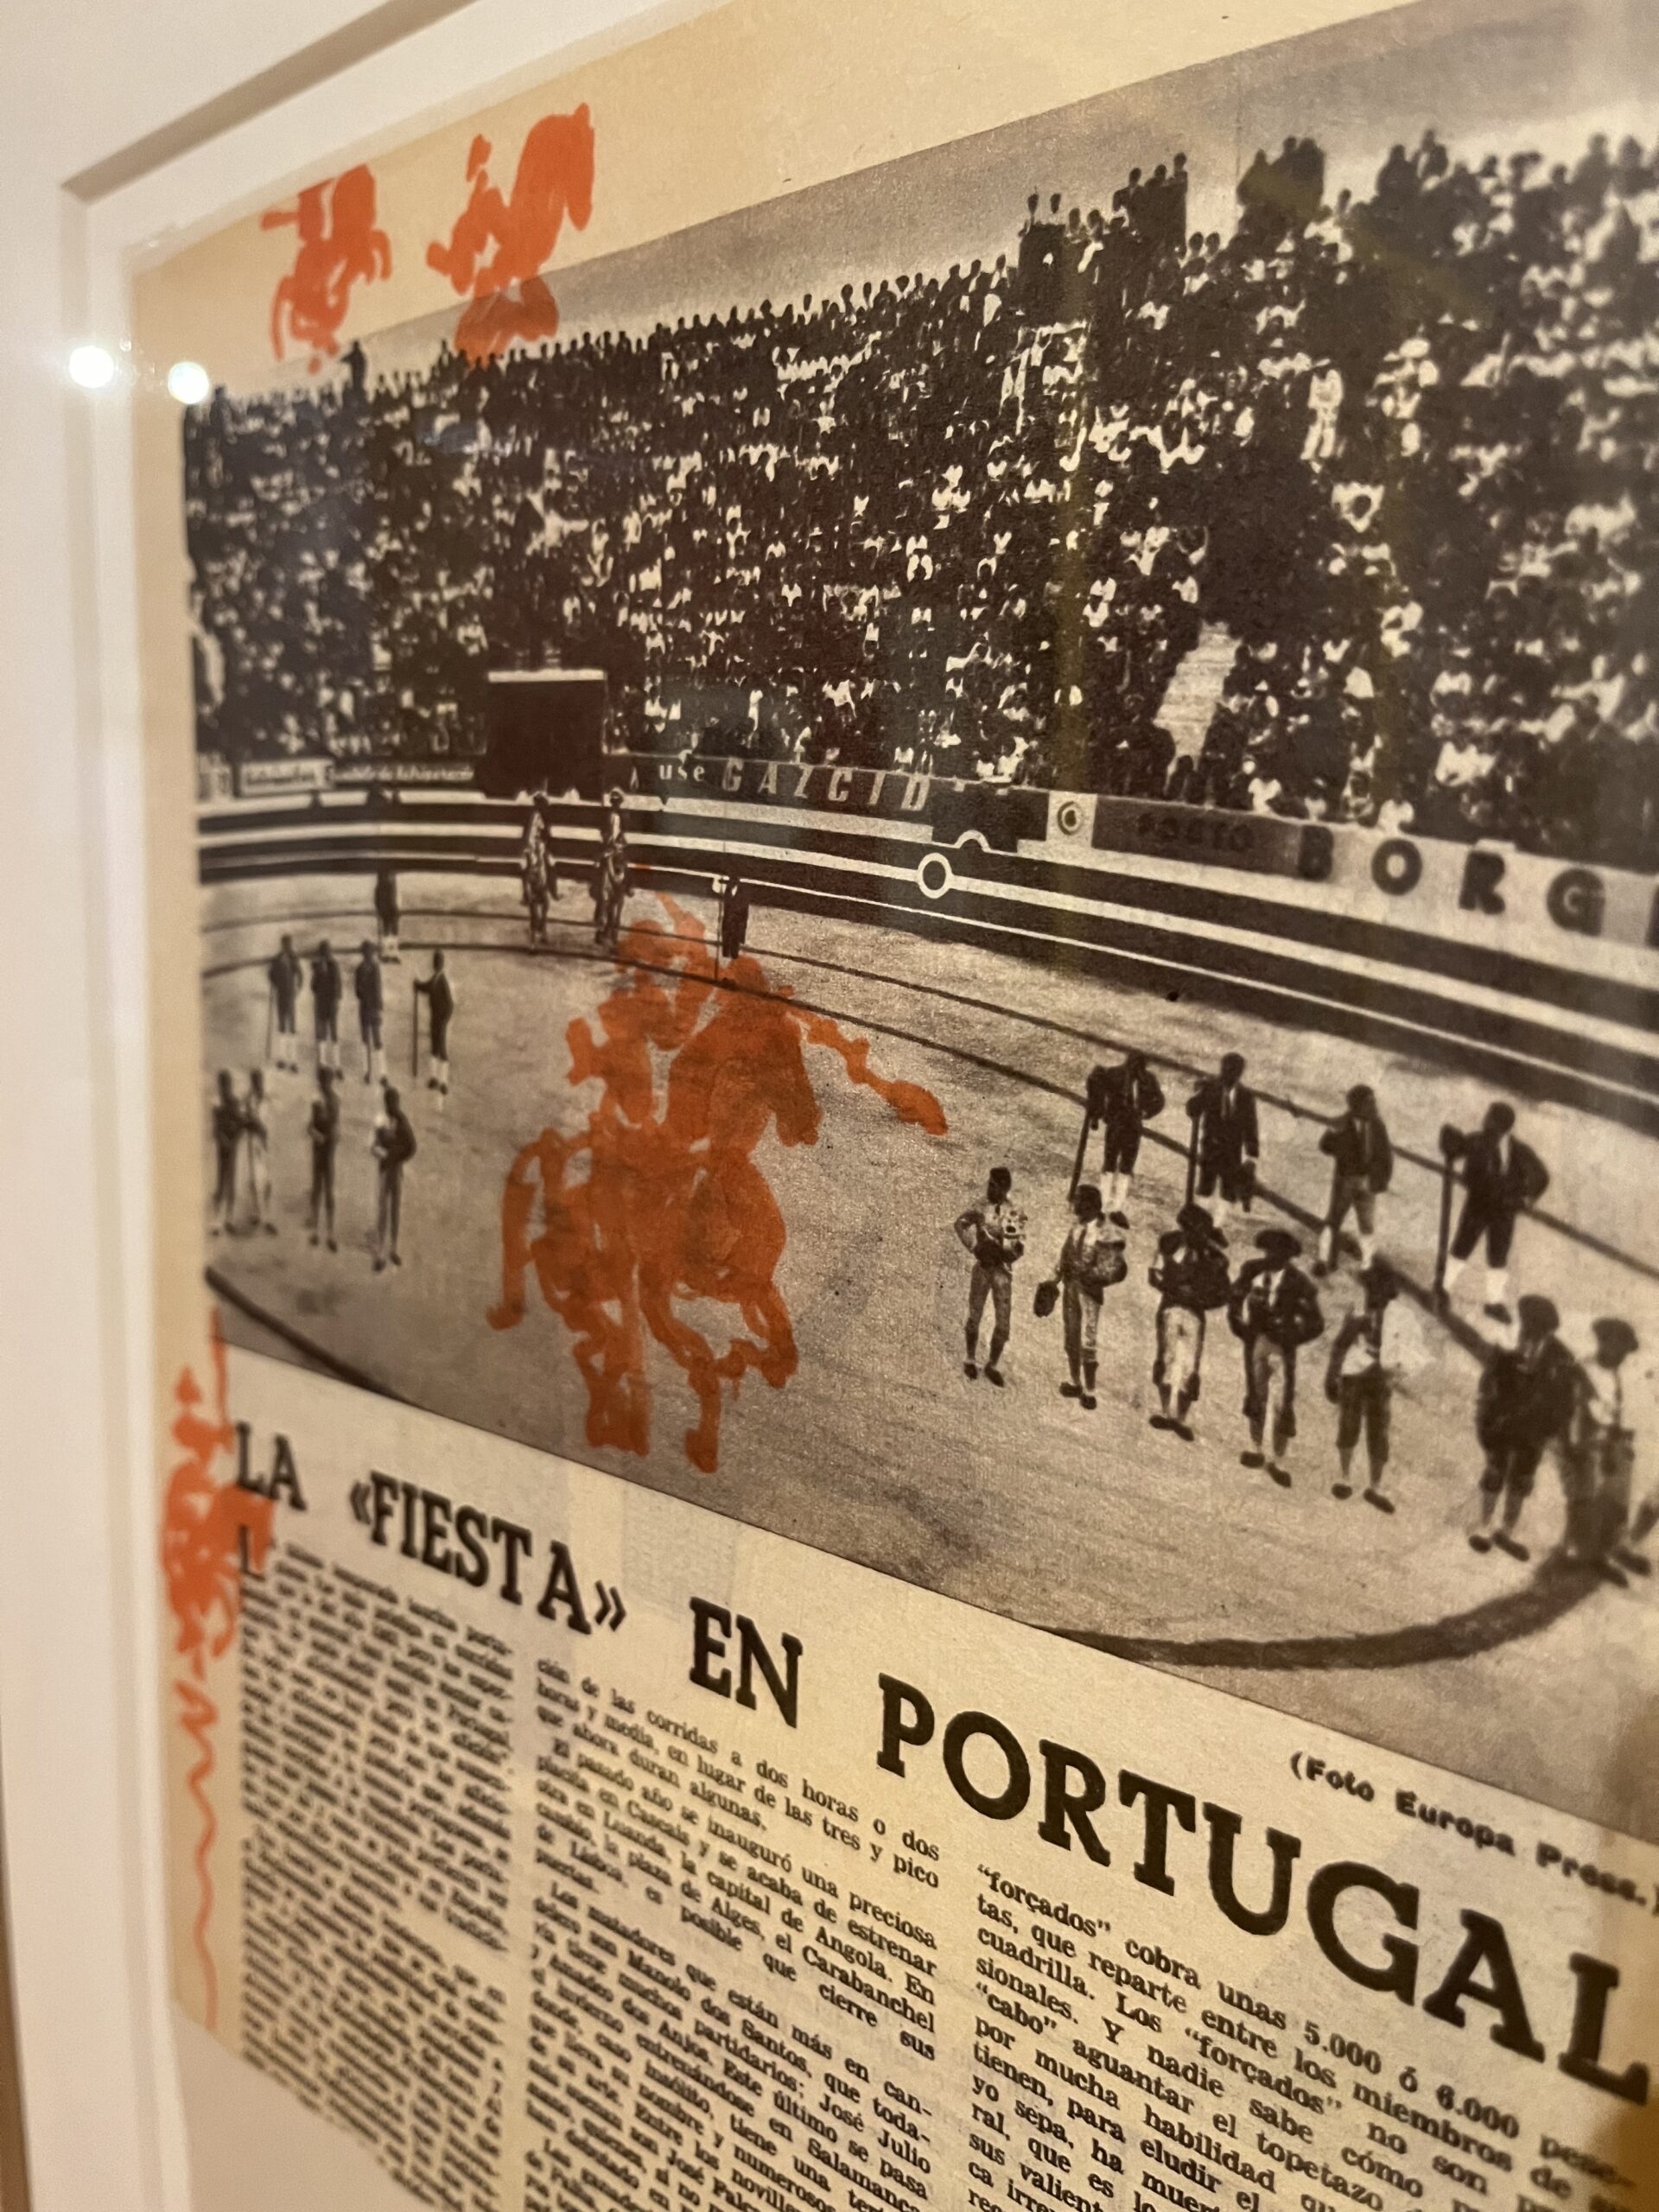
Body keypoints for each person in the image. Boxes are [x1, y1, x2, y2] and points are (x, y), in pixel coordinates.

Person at [1470, 1294, 1580, 1560]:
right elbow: (1488, 1381)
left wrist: (1550, 1430)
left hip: (1534, 1428)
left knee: (1522, 1478)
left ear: (1547, 1329)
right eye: (1527, 1323)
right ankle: (1485, 1524)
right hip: (1503, 1421)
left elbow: (1566, 1400)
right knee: (1495, 1470)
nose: (1528, 1330)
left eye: (1536, 1326)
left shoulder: (1561, 1357)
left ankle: (1506, 1530)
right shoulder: (1508, 1343)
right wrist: (1488, 1417)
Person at [1324, 1260, 1428, 1509]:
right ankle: (1345, 1477)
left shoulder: (1400, 1316)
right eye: (1371, 1290)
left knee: (1379, 1429)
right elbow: (1341, 1344)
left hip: (1381, 1376)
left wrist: (1399, 1370)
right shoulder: (1359, 1313)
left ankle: (1375, 1486)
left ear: (1387, 1293)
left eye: (1378, 1291)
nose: (1373, 1295)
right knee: (1349, 1424)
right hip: (1356, 1372)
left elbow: (1413, 1349)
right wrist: (1332, 1375)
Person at [1229, 1226, 1324, 1484]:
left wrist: (1293, 1337)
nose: (1272, 1258)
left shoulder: (1300, 1283)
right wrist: (1240, 1326)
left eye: (1278, 1255)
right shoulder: (1252, 1270)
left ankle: (1278, 1459)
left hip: (1283, 1348)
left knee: (1282, 1402)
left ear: (1287, 1257)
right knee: (1256, 1393)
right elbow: (1234, 1299)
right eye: (1269, 1252)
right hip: (1258, 1340)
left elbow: (1316, 1323)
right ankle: (1256, 1447)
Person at [1439, 1103, 1548, 1324]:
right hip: (1479, 1205)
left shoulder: (1519, 1150)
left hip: (1504, 1211)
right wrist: (1448, 1138)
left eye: (1489, 1118)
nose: (1485, 1121)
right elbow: (1456, 1149)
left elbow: (1541, 1176)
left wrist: (1527, 1198)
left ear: (1499, 1124)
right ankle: (1443, 1288)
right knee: (1462, 1247)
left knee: (1498, 1256)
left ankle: (1494, 1303)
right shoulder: (1477, 1141)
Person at [1561, 1318, 1642, 1583]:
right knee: (1585, 1497)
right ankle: (1575, 1549)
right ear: (1604, 1343)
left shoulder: (1618, 1373)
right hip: (1587, 1440)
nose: (1623, 1356)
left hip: (1611, 1440)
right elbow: (1577, 1411)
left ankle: (1603, 1551)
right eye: (1620, 1349)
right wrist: (1584, 1444)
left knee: (1615, 1500)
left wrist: (1623, 1437)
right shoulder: (1584, 1370)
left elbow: (1619, 1409)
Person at [1147, 1202, 1231, 1440]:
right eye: (1190, 1230)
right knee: (1167, 1358)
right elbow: (1154, 1274)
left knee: (1190, 1367)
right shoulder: (1170, 1244)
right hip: (1171, 1307)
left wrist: (1200, 1299)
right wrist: (1172, 1288)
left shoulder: (1214, 1258)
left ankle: (1180, 1418)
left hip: (1194, 1313)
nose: (1194, 1236)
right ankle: (1167, 1412)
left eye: (1199, 1232)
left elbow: (1224, 1293)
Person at [1041, 1184, 1127, 1410]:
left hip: (1089, 1291)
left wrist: (1092, 1276)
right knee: (1071, 1335)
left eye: (1079, 1200)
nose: (1075, 1204)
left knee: (1088, 1339)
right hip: (1071, 1288)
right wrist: (1053, 1280)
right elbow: (1064, 1255)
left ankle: (1090, 1391)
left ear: (1090, 1205)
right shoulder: (1077, 1227)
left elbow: (1114, 1269)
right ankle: (1075, 1382)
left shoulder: (1107, 1233)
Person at [954, 1166, 1027, 1386]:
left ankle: (992, 1364)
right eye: (990, 1185)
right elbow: (960, 1224)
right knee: (974, 1314)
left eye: (995, 1187)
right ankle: (970, 1358)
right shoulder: (980, 1207)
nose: (990, 1190)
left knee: (1003, 1322)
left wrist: (1007, 1253)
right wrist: (974, 1246)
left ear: (1004, 1189)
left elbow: (1019, 1247)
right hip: (983, 1268)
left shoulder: (1014, 1212)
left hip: (1002, 1271)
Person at [1315, 1084, 1392, 1276]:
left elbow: (1386, 1155)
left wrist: (1380, 1181)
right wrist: (1333, 1131)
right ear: (1356, 1106)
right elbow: (1325, 1146)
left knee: (1367, 1224)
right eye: (1369, 1103)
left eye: (1374, 1102)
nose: (1374, 1107)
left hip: (1367, 1182)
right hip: (1346, 1180)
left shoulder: (1377, 1125)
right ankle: (1323, 1260)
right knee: (1334, 1219)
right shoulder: (1343, 1123)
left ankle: (1367, 1265)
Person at [1086, 1051, 1165, 1215]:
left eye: (1139, 1067)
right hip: (1116, 1124)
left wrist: (1146, 1112)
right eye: (1133, 1066)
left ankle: (1117, 1206)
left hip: (1133, 1127)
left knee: (1127, 1166)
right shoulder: (1115, 1074)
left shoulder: (1147, 1079)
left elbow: (1159, 1100)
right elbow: (1096, 1083)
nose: (1136, 1070)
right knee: (1109, 1162)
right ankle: (1103, 1202)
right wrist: (1097, 1114)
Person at [1186, 1052, 1260, 1214]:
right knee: (1205, 1187)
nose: (1227, 1075)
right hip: (1211, 1147)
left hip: (1232, 1151)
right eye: (1225, 1070)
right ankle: (1201, 1220)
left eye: (1232, 1071)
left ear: (1239, 1073)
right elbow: (1192, 1110)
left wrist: (1251, 1156)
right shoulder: (1211, 1088)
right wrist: (1198, 1094)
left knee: (1228, 1191)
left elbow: (1251, 1127)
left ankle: (1217, 1224)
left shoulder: (1246, 1097)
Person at [371, 1084, 416, 1272]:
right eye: (390, 1102)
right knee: (384, 1210)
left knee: (394, 1209)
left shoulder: (402, 1121)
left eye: (394, 1102)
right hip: (385, 1171)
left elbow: (412, 1146)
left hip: (395, 1171)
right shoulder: (381, 1120)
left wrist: (397, 1158)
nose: (392, 1106)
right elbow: (373, 1146)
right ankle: (381, 1252)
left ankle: (393, 1249)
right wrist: (382, 1154)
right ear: (386, 1103)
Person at [415, 950, 455, 1097]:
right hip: (434, 1020)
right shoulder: (435, 979)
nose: (436, 964)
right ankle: (434, 1078)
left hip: (441, 1021)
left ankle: (443, 1082)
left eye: (438, 962)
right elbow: (427, 987)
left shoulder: (443, 981)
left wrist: (445, 1021)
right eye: (435, 962)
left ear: (441, 964)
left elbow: (450, 1005)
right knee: (434, 1049)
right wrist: (417, 985)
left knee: (442, 1051)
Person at [307, 1065, 340, 1251]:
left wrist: (328, 1136)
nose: (324, 1085)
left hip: (327, 1150)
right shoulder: (318, 1101)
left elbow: (334, 1125)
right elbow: (310, 1126)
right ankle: (316, 1231)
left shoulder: (333, 1100)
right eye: (322, 1081)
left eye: (326, 1081)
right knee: (317, 1189)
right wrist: (318, 1136)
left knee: (328, 1190)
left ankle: (330, 1233)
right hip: (320, 1149)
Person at [594, 789, 629, 953]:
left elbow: (623, 834)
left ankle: (628, 886)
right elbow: (603, 832)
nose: (615, 805)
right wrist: (608, 840)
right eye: (614, 802)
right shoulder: (606, 816)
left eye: (617, 802)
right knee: (600, 868)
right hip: (608, 848)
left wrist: (620, 843)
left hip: (618, 849)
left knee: (625, 865)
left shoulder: (622, 816)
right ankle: (598, 897)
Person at [242, 1068, 276, 1235]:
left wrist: (265, 1131)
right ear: (252, 1083)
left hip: (266, 1142)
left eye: (259, 1081)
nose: (258, 1084)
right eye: (255, 1081)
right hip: (253, 1142)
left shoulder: (267, 1100)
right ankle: (257, 1212)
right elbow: (245, 1121)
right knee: (254, 1178)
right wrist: (253, 1123)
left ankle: (267, 1216)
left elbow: (271, 1121)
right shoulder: (249, 1100)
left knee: (268, 1180)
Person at [209, 1070, 241, 1236]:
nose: (225, 1087)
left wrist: (233, 1141)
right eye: (223, 1084)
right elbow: (215, 1128)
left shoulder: (234, 1102)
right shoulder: (217, 1104)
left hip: (232, 1146)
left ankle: (229, 1219)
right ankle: (217, 1221)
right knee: (221, 1182)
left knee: (231, 1182)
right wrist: (224, 1140)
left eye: (227, 1084)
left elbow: (239, 1124)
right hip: (223, 1147)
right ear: (220, 1086)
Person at [267, 934, 302, 1072]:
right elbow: (271, 975)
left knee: (292, 1027)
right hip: (281, 995)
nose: (287, 947)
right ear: (282, 945)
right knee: (282, 1026)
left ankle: (293, 1060)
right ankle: (282, 1059)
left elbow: (300, 974)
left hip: (290, 995)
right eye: (285, 944)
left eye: (288, 944)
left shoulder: (294, 958)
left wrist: (298, 988)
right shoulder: (277, 959)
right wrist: (275, 983)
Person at [353, 940, 384, 1085]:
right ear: (363, 953)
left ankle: (382, 1073)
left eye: (370, 952)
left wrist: (379, 1009)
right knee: (365, 1040)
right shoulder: (359, 969)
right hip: (365, 1008)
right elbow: (357, 991)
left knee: (377, 1039)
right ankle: (366, 1072)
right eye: (366, 952)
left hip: (374, 1008)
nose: (368, 955)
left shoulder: (376, 968)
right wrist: (362, 992)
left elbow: (378, 989)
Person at [310, 939, 343, 1075]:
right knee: (322, 1033)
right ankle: (323, 1064)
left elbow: (338, 985)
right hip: (322, 1003)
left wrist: (337, 1001)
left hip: (330, 1003)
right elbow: (313, 986)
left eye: (327, 952)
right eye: (324, 952)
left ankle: (337, 1066)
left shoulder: (334, 965)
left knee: (333, 1034)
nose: (325, 955)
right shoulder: (319, 967)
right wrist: (318, 972)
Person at [522, 803, 551, 947]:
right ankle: (532, 942)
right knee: (534, 912)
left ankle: (543, 932)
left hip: (541, 877)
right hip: (533, 878)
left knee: (545, 904)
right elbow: (527, 868)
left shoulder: (540, 842)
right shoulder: (531, 845)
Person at [373, 865, 401, 963]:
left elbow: (379, 900)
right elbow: (378, 900)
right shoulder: (384, 886)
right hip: (387, 911)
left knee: (392, 933)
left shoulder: (389, 886)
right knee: (388, 933)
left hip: (390, 911)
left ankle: (392, 954)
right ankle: (388, 955)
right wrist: (381, 909)